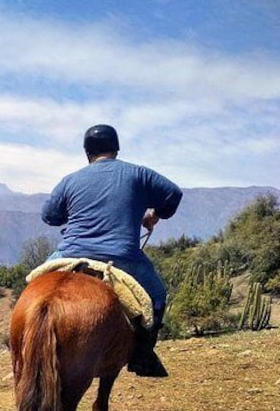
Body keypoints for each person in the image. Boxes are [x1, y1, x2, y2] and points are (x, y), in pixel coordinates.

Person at [41, 125, 183, 377]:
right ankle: (142, 356)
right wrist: (154, 214)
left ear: (87, 153)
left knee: (34, 286)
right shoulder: (138, 174)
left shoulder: (71, 180)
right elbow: (173, 194)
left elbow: (49, 216)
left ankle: (22, 341)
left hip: (69, 254)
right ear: (116, 150)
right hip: (121, 257)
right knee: (158, 295)